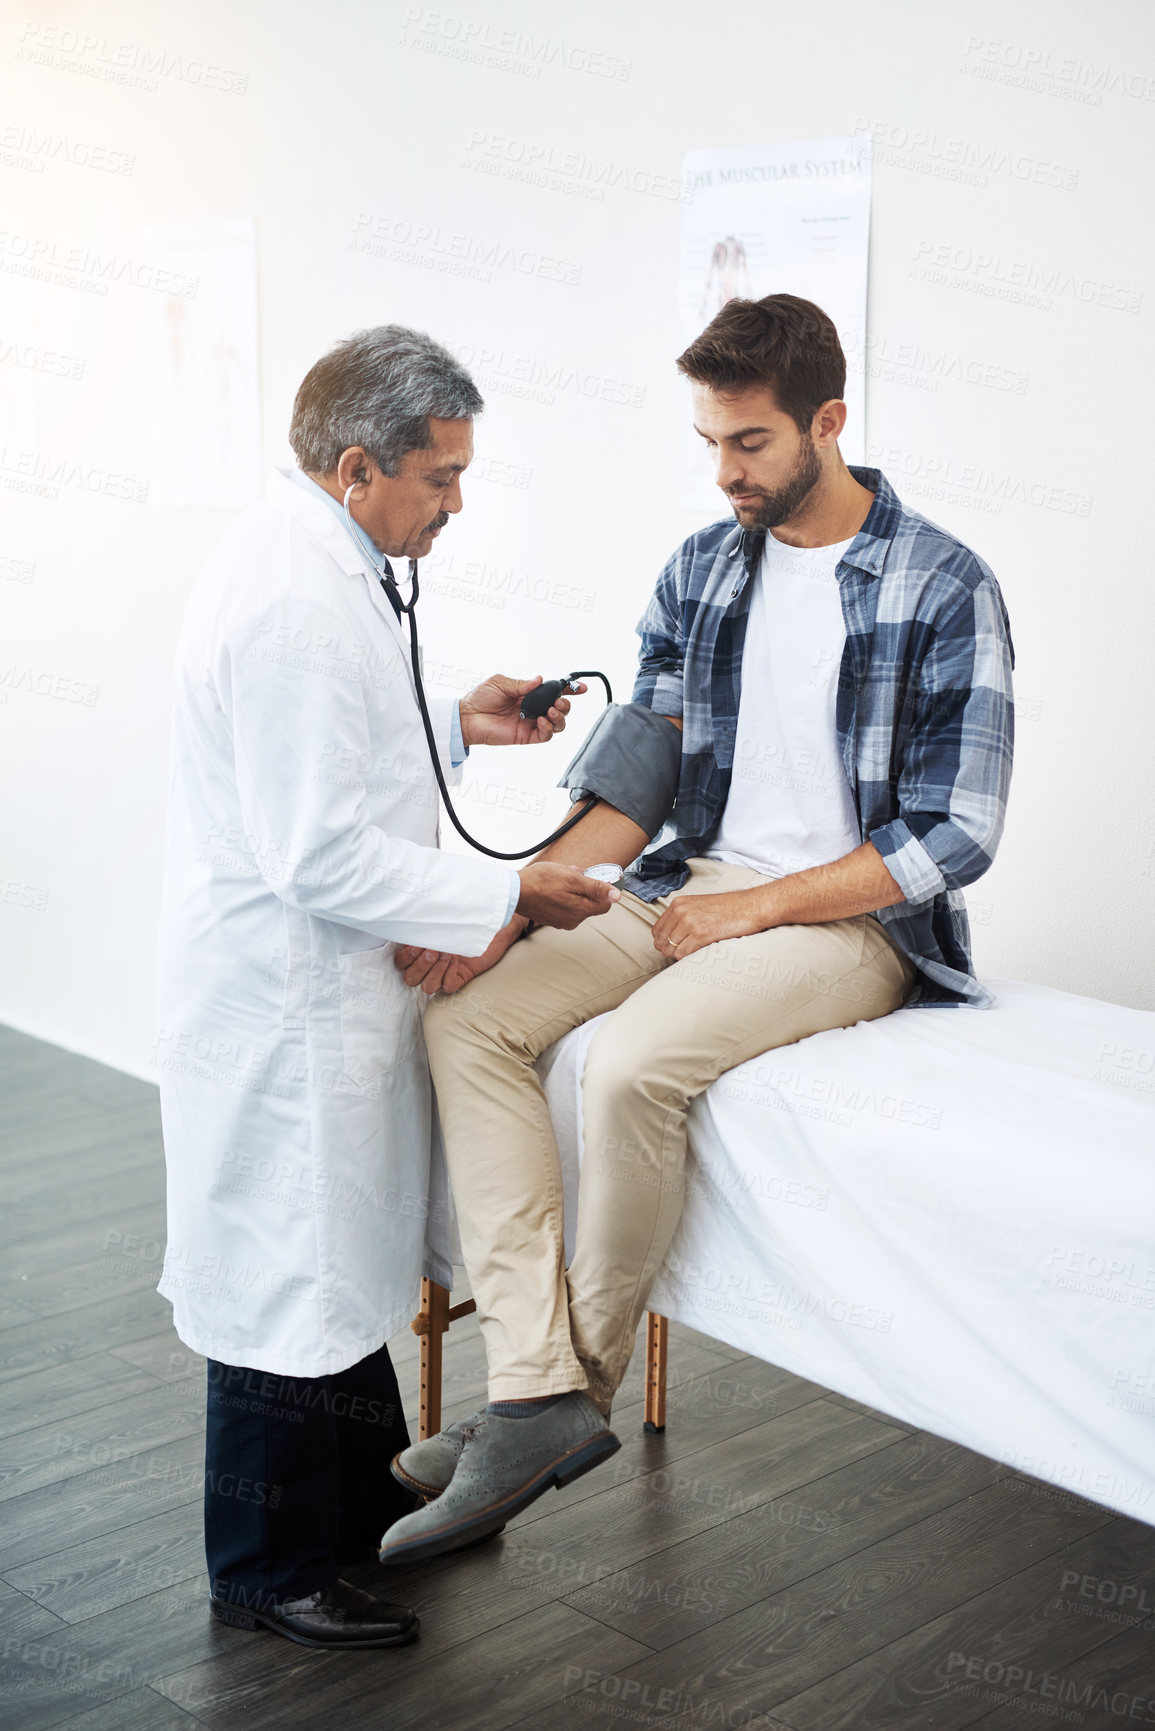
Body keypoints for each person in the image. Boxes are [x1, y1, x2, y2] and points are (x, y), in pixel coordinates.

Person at [378, 293, 1015, 1565]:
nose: (726, 472)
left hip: (854, 921)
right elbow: (639, 786)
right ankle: (532, 1381)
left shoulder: (943, 584)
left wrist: (757, 907)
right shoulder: (701, 569)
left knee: (629, 1065)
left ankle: (565, 1398)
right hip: (688, 882)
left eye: (753, 444)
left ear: (829, 422)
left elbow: (957, 837)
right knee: (468, 1019)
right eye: (712, 443)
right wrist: (507, 911)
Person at [154, 326, 618, 1649]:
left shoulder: (324, 554)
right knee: (284, 1288)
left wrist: (453, 718)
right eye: (440, 477)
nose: (456, 501)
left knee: (340, 1269)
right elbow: (310, 846)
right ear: (358, 467)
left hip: (327, 993)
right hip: (285, 996)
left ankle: (359, 1515)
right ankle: (266, 1567)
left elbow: (347, 749)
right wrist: (509, 896)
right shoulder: (299, 596)